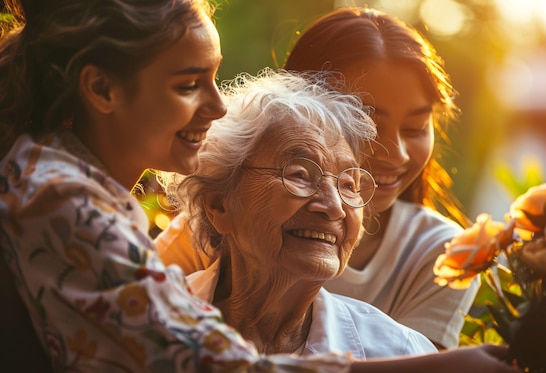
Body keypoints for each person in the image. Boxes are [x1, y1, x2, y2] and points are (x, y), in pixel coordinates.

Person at [0, 0, 518, 371]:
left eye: (346, 182)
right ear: (101, 88)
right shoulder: (59, 195)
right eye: (187, 85)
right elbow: (203, 361)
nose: (216, 106)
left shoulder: (65, 185)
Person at [157, 6, 479, 350]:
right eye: (299, 174)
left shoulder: (405, 330)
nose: (397, 153)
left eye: (349, 184)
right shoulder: (153, 316)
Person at [160, 68, 438, 358]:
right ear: (219, 205)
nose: (334, 207)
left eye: (347, 185)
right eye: (300, 175)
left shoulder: (400, 355)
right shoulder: (148, 323)